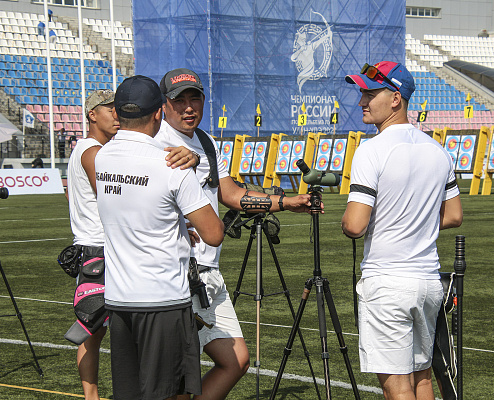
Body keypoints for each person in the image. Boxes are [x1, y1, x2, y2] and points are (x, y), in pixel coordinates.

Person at [155, 67, 317, 400]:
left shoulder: (206, 142)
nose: (189, 107)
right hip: (176, 273)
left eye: (195, 98)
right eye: (179, 100)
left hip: (208, 273)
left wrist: (286, 202)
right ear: (164, 105)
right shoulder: (155, 142)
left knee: (236, 361)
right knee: (177, 377)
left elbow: (230, 194)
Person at [95, 75, 224, 400]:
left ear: (118, 114)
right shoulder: (171, 165)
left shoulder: (102, 157)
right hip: (163, 299)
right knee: (171, 393)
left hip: (119, 298)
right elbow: (213, 233)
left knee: (130, 393)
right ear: (158, 113)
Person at [341, 61, 463, 400]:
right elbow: (454, 215)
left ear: (396, 98)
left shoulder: (371, 149)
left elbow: (355, 225)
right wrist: (414, 222)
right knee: (422, 379)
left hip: (388, 284)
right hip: (428, 283)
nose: (362, 101)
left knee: (396, 387)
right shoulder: (437, 150)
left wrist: (350, 223)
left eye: (370, 93)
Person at [66, 89, 119, 400]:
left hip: (93, 248)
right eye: (109, 109)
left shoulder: (86, 149)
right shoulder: (94, 151)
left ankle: (92, 396)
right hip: (100, 250)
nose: (116, 114)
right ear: (92, 115)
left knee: (93, 329)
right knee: (94, 329)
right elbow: (113, 198)